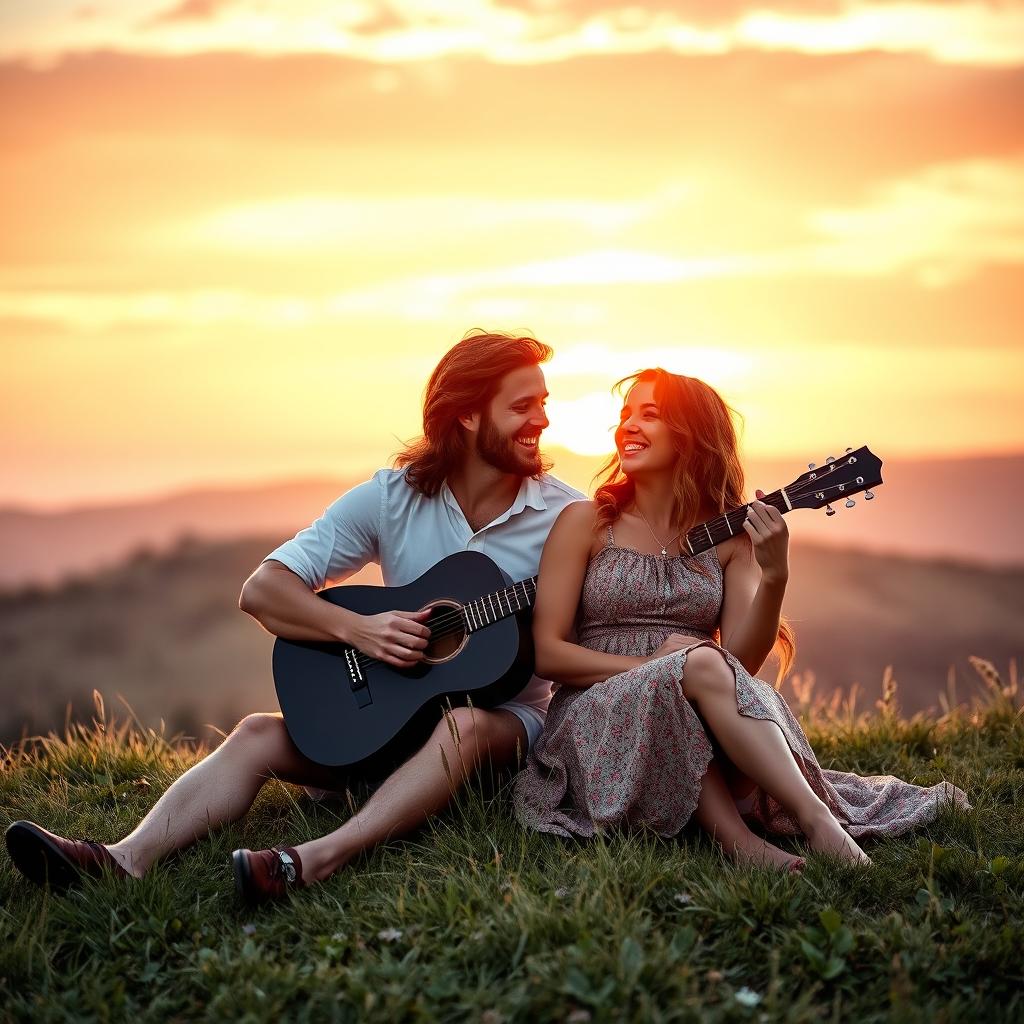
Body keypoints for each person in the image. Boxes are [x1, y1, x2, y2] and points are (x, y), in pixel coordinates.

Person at [6, 330, 584, 903]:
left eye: (543, 403)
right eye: (521, 406)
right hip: (395, 719)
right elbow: (263, 590)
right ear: (466, 416)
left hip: (507, 726)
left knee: (466, 725)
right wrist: (363, 630)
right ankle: (121, 859)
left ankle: (312, 859)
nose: (541, 420)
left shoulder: (566, 515)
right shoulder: (392, 497)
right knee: (257, 731)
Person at [513, 368, 968, 868]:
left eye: (650, 415)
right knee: (699, 667)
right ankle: (754, 840)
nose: (629, 427)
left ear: (692, 435)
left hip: (706, 700)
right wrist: (656, 668)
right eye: (625, 415)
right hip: (596, 718)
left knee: (705, 668)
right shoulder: (586, 522)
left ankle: (814, 821)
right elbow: (549, 653)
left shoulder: (730, 537)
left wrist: (775, 578)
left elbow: (741, 663)